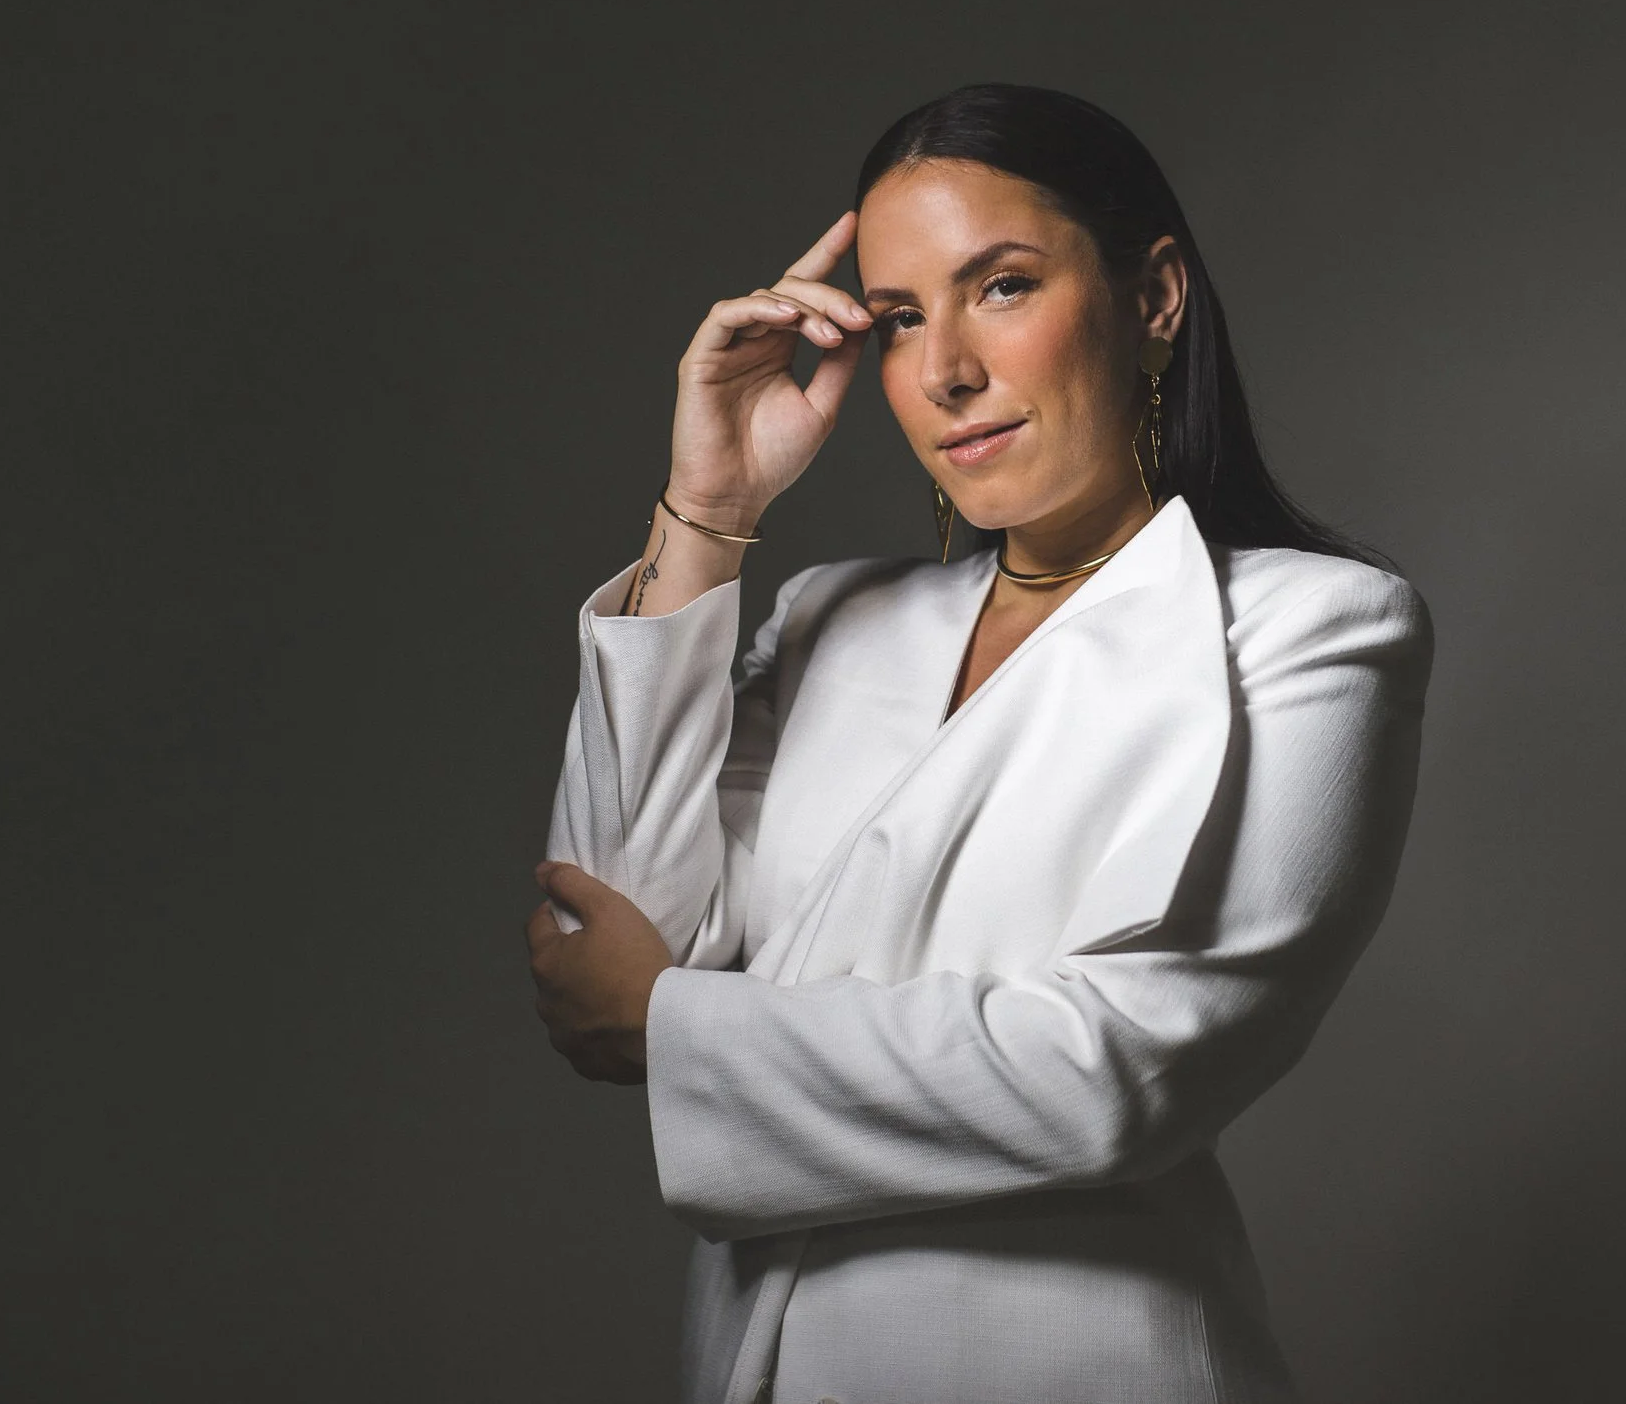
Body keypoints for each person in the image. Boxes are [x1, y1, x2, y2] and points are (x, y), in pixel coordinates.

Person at [526, 83, 1434, 1404]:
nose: (946, 369)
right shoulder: (836, 614)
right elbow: (605, 925)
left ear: (1156, 296)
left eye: (1001, 286)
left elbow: (1119, 1074)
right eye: (898, 319)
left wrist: (677, 1026)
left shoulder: (1312, 630)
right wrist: (709, 507)